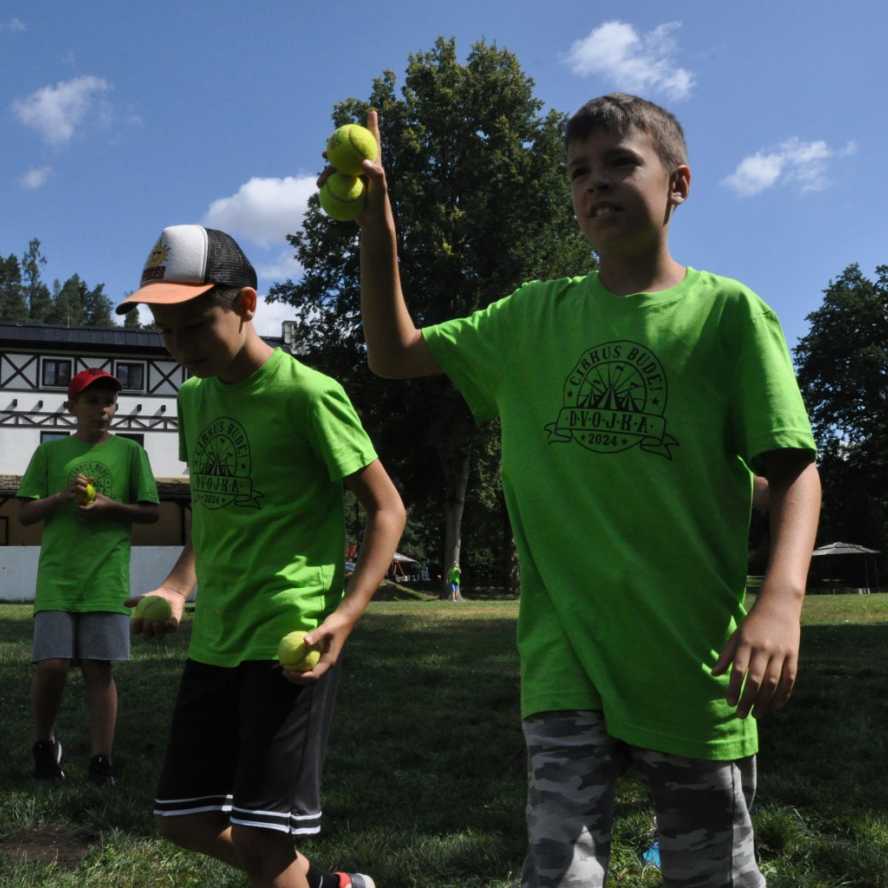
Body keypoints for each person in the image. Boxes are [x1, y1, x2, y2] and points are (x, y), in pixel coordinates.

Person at [352, 95, 821, 887]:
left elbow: (796, 470)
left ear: (679, 184)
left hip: (691, 654)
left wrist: (780, 602)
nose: (594, 184)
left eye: (618, 163)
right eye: (577, 172)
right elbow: (394, 354)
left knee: (711, 873)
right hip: (562, 648)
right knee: (559, 872)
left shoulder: (729, 315)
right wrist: (378, 227)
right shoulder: (533, 316)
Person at [117, 225, 405, 888]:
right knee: (182, 820)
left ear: (246, 303)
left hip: (289, 635)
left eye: (192, 326)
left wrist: (346, 616)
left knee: (260, 837)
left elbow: (388, 508)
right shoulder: (195, 398)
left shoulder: (308, 394)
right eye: (163, 330)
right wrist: (177, 586)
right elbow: (215, 515)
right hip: (216, 637)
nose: (178, 349)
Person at [18, 368, 160, 786]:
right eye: (92, 401)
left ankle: (102, 761)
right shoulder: (49, 455)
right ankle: (44, 745)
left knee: (100, 669)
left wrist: (109, 506)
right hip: (58, 577)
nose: (102, 409)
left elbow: (151, 512)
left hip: (106, 577)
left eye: (108, 402)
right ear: (71, 407)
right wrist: (62, 497)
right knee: (53, 665)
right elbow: (24, 514)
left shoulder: (133, 454)